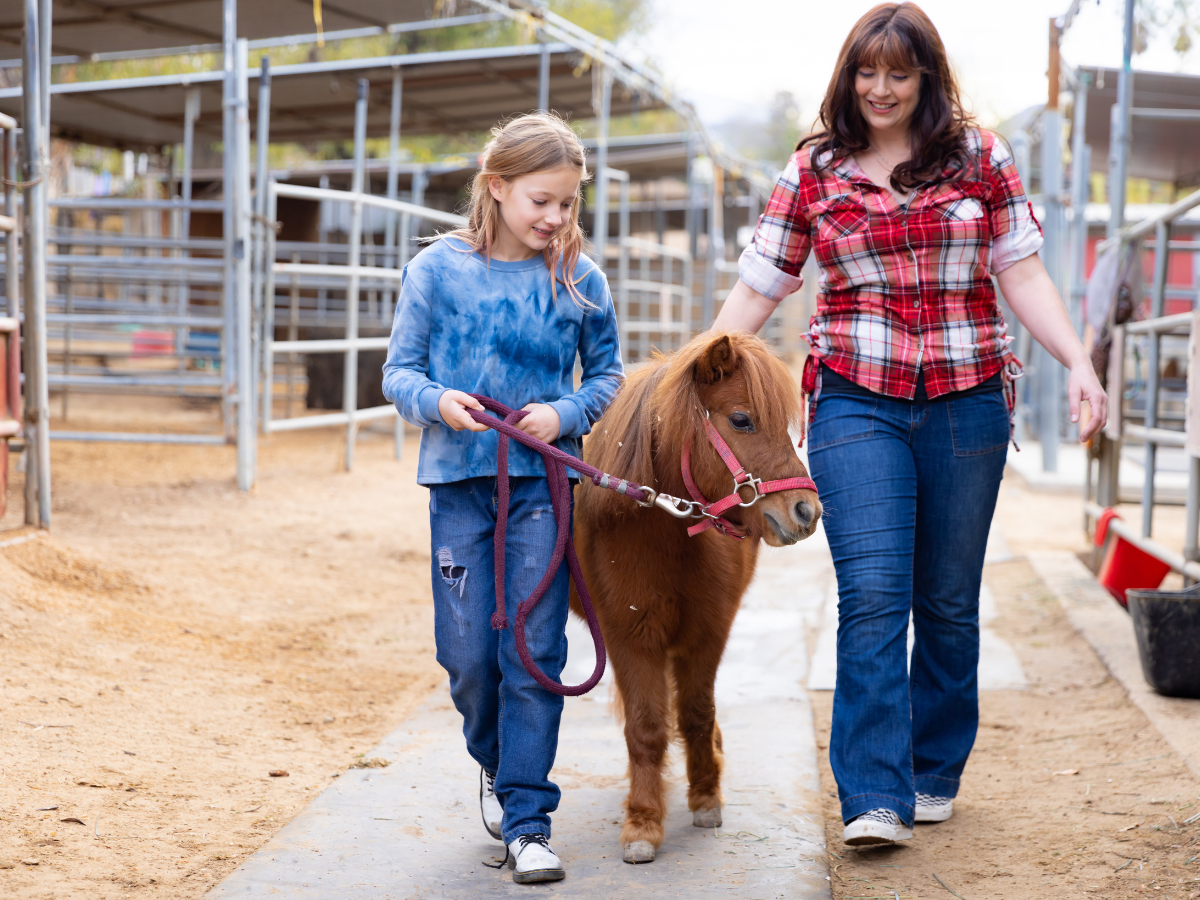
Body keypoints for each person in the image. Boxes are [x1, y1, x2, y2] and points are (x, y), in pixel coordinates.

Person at [713, 2, 1107, 847]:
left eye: (899, 72)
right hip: (858, 397)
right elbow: (761, 284)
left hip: (967, 401)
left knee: (949, 601)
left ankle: (933, 769)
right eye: (867, 71)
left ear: (927, 76)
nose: (881, 89)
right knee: (874, 592)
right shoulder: (815, 168)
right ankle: (874, 795)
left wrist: (1078, 360)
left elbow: (1023, 272)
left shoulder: (978, 157)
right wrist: (693, 370)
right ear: (847, 75)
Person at [382, 113, 623, 881]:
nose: (555, 219)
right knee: (465, 655)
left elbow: (607, 377)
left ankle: (527, 818)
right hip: (459, 486)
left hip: (542, 489)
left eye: (567, 204)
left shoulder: (581, 280)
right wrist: (436, 400)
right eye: (541, 201)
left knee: (533, 649)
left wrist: (565, 412)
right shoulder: (437, 272)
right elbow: (399, 373)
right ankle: (496, 759)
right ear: (498, 187)